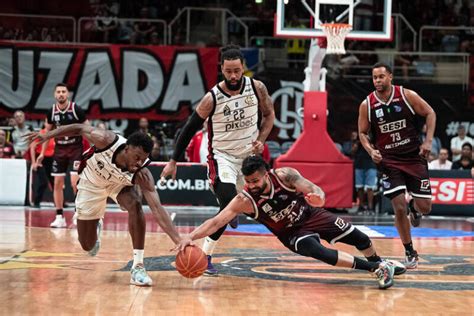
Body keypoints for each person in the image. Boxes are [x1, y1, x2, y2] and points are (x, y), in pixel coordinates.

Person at [177, 155, 405, 289]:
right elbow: (217, 222)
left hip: (311, 216)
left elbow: (312, 188)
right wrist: (190, 236)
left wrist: (319, 196)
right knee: (318, 251)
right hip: (292, 234)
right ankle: (376, 268)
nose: (252, 185)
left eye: (255, 180)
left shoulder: (285, 176)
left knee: (360, 238)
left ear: (267, 173)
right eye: (248, 181)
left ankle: (382, 263)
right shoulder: (243, 200)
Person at [25, 123, 190, 286]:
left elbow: (157, 208)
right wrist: (48, 135)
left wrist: (178, 240)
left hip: (118, 185)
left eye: (143, 160)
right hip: (91, 183)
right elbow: (80, 128)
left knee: (135, 203)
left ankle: (138, 266)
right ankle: (96, 225)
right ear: (126, 149)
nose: (139, 163)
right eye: (137, 157)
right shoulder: (104, 139)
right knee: (87, 245)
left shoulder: (142, 174)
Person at [161, 44, 275, 275]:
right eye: (228, 71)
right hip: (222, 156)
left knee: (244, 208)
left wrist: (261, 139)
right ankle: (207, 254)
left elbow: (269, 115)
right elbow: (188, 129)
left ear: (243, 67)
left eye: (237, 70)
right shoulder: (211, 98)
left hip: (249, 157)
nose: (233, 76)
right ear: (221, 69)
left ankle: (220, 235)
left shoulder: (257, 88)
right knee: (228, 203)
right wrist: (173, 161)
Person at [358, 62, 436, 269]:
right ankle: (410, 250)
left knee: (426, 207)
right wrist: (370, 150)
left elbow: (430, 113)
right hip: (389, 161)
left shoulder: (406, 95)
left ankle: (415, 208)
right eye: (374, 77)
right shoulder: (367, 104)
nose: (377, 81)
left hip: (413, 157)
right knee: (398, 207)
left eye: (381, 77)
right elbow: (363, 133)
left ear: (390, 77)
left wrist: (428, 141)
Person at [36, 83, 89, 228]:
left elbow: (88, 129)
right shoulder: (51, 112)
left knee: (74, 182)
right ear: (55, 94)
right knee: (57, 183)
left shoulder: (76, 109)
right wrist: (41, 154)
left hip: (75, 149)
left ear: (68, 94)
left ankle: (78, 213)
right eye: (58, 91)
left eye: (63, 91)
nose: (61, 94)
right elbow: (46, 135)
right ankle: (59, 216)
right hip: (59, 150)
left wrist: (93, 149)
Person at [29, 120, 55, 207]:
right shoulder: (41, 133)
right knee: (43, 181)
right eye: (48, 122)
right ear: (44, 123)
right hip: (40, 159)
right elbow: (32, 147)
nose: (50, 124)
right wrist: (33, 162)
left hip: (51, 159)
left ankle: (59, 202)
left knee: (55, 182)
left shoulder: (55, 134)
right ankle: (36, 201)